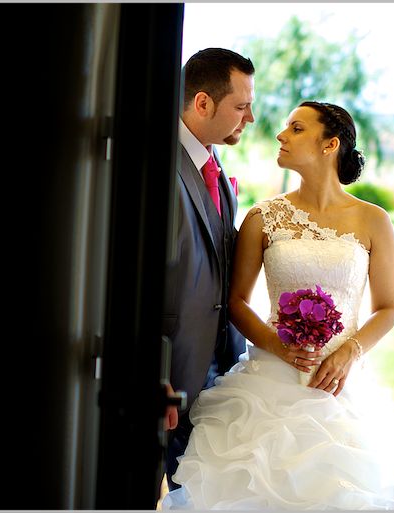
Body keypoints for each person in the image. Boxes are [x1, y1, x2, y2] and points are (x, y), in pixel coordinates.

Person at [162, 101, 394, 509]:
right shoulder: (263, 217)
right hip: (268, 381)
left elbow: (387, 307)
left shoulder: (374, 220)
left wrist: (351, 351)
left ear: (330, 145)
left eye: (296, 129)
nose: (281, 135)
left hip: (341, 383)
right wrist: (277, 344)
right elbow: (237, 302)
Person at [161, 48, 255, 491]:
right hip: (170, 378)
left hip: (218, 374)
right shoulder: (158, 169)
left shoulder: (215, 166)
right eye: (241, 106)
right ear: (202, 103)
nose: (250, 118)